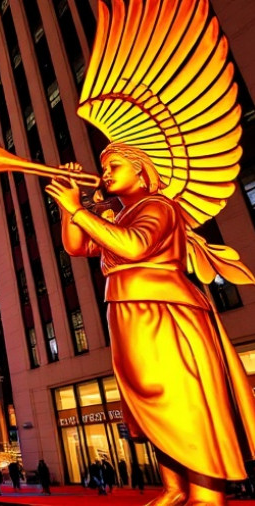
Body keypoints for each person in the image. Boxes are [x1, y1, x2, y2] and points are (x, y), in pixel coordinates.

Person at [46, 141, 255, 505]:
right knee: (146, 398)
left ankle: (207, 492)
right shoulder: (118, 214)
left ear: (141, 170)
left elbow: (135, 247)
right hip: (127, 309)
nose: (106, 172)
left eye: (114, 165)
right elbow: (78, 247)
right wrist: (72, 208)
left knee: (178, 394)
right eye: (104, 167)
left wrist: (78, 210)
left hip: (162, 308)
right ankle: (175, 487)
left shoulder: (158, 206)